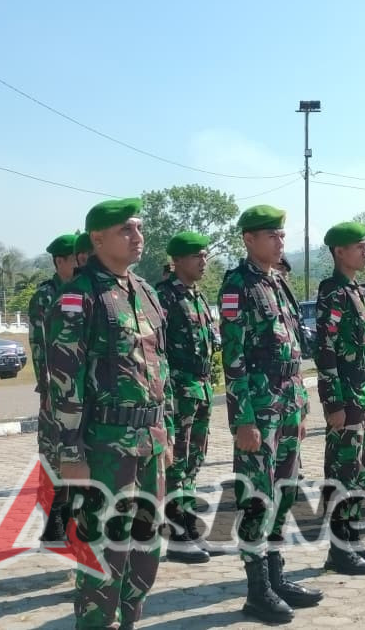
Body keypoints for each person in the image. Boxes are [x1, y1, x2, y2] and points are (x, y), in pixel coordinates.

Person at [48, 199, 172, 629]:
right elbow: (65, 382)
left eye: (139, 228)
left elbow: (162, 369)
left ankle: (131, 620)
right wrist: (70, 453)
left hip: (149, 443)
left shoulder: (147, 291)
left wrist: (166, 432)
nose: (138, 237)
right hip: (105, 447)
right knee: (104, 551)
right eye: (126, 230)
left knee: (147, 549)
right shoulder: (78, 297)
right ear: (97, 239)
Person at [219, 205, 322, 623]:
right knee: (256, 495)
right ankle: (256, 589)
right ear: (249, 239)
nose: (281, 241)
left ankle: (277, 577)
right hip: (258, 408)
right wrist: (243, 419)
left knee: (286, 491)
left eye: (281, 234)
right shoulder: (237, 285)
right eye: (272, 235)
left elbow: (294, 346)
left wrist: (300, 399)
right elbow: (234, 356)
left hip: (289, 398)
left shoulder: (278, 282)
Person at [317, 222, 365, 576]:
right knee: (342, 471)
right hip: (345, 396)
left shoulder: (357, 292)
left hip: (363, 393)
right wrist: (333, 402)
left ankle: (353, 539)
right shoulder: (333, 292)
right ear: (339, 252)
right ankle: (339, 549)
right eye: (357, 247)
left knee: (361, 470)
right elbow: (325, 348)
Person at [156, 232, 220, 564]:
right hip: (179, 392)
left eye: (204, 255)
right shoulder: (163, 298)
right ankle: (177, 536)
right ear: (178, 260)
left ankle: (189, 528)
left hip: (201, 389)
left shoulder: (197, 296)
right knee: (177, 464)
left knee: (194, 461)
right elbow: (158, 353)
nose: (203, 261)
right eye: (196, 256)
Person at [27, 233, 79, 542]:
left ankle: (73, 515)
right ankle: (53, 519)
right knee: (52, 455)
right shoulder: (45, 296)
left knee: (75, 455)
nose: (79, 263)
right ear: (59, 261)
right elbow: (39, 348)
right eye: (73, 259)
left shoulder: (84, 291)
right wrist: (47, 391)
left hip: (78, 394)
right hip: (55, 393)